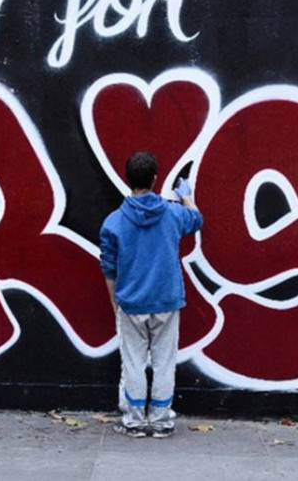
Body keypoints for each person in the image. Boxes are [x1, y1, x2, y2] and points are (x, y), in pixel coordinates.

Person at [99, 152, 203, 438]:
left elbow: (109, 268)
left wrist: (114, 302)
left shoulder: (113, 223)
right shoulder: (173, 214)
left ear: (127, 179)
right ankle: (160, 421)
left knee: (133, 362)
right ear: (155, 178)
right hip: (167, 300)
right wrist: (186, 195)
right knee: (164, 362)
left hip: (131, 303)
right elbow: (196, 219)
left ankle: (133, 421)